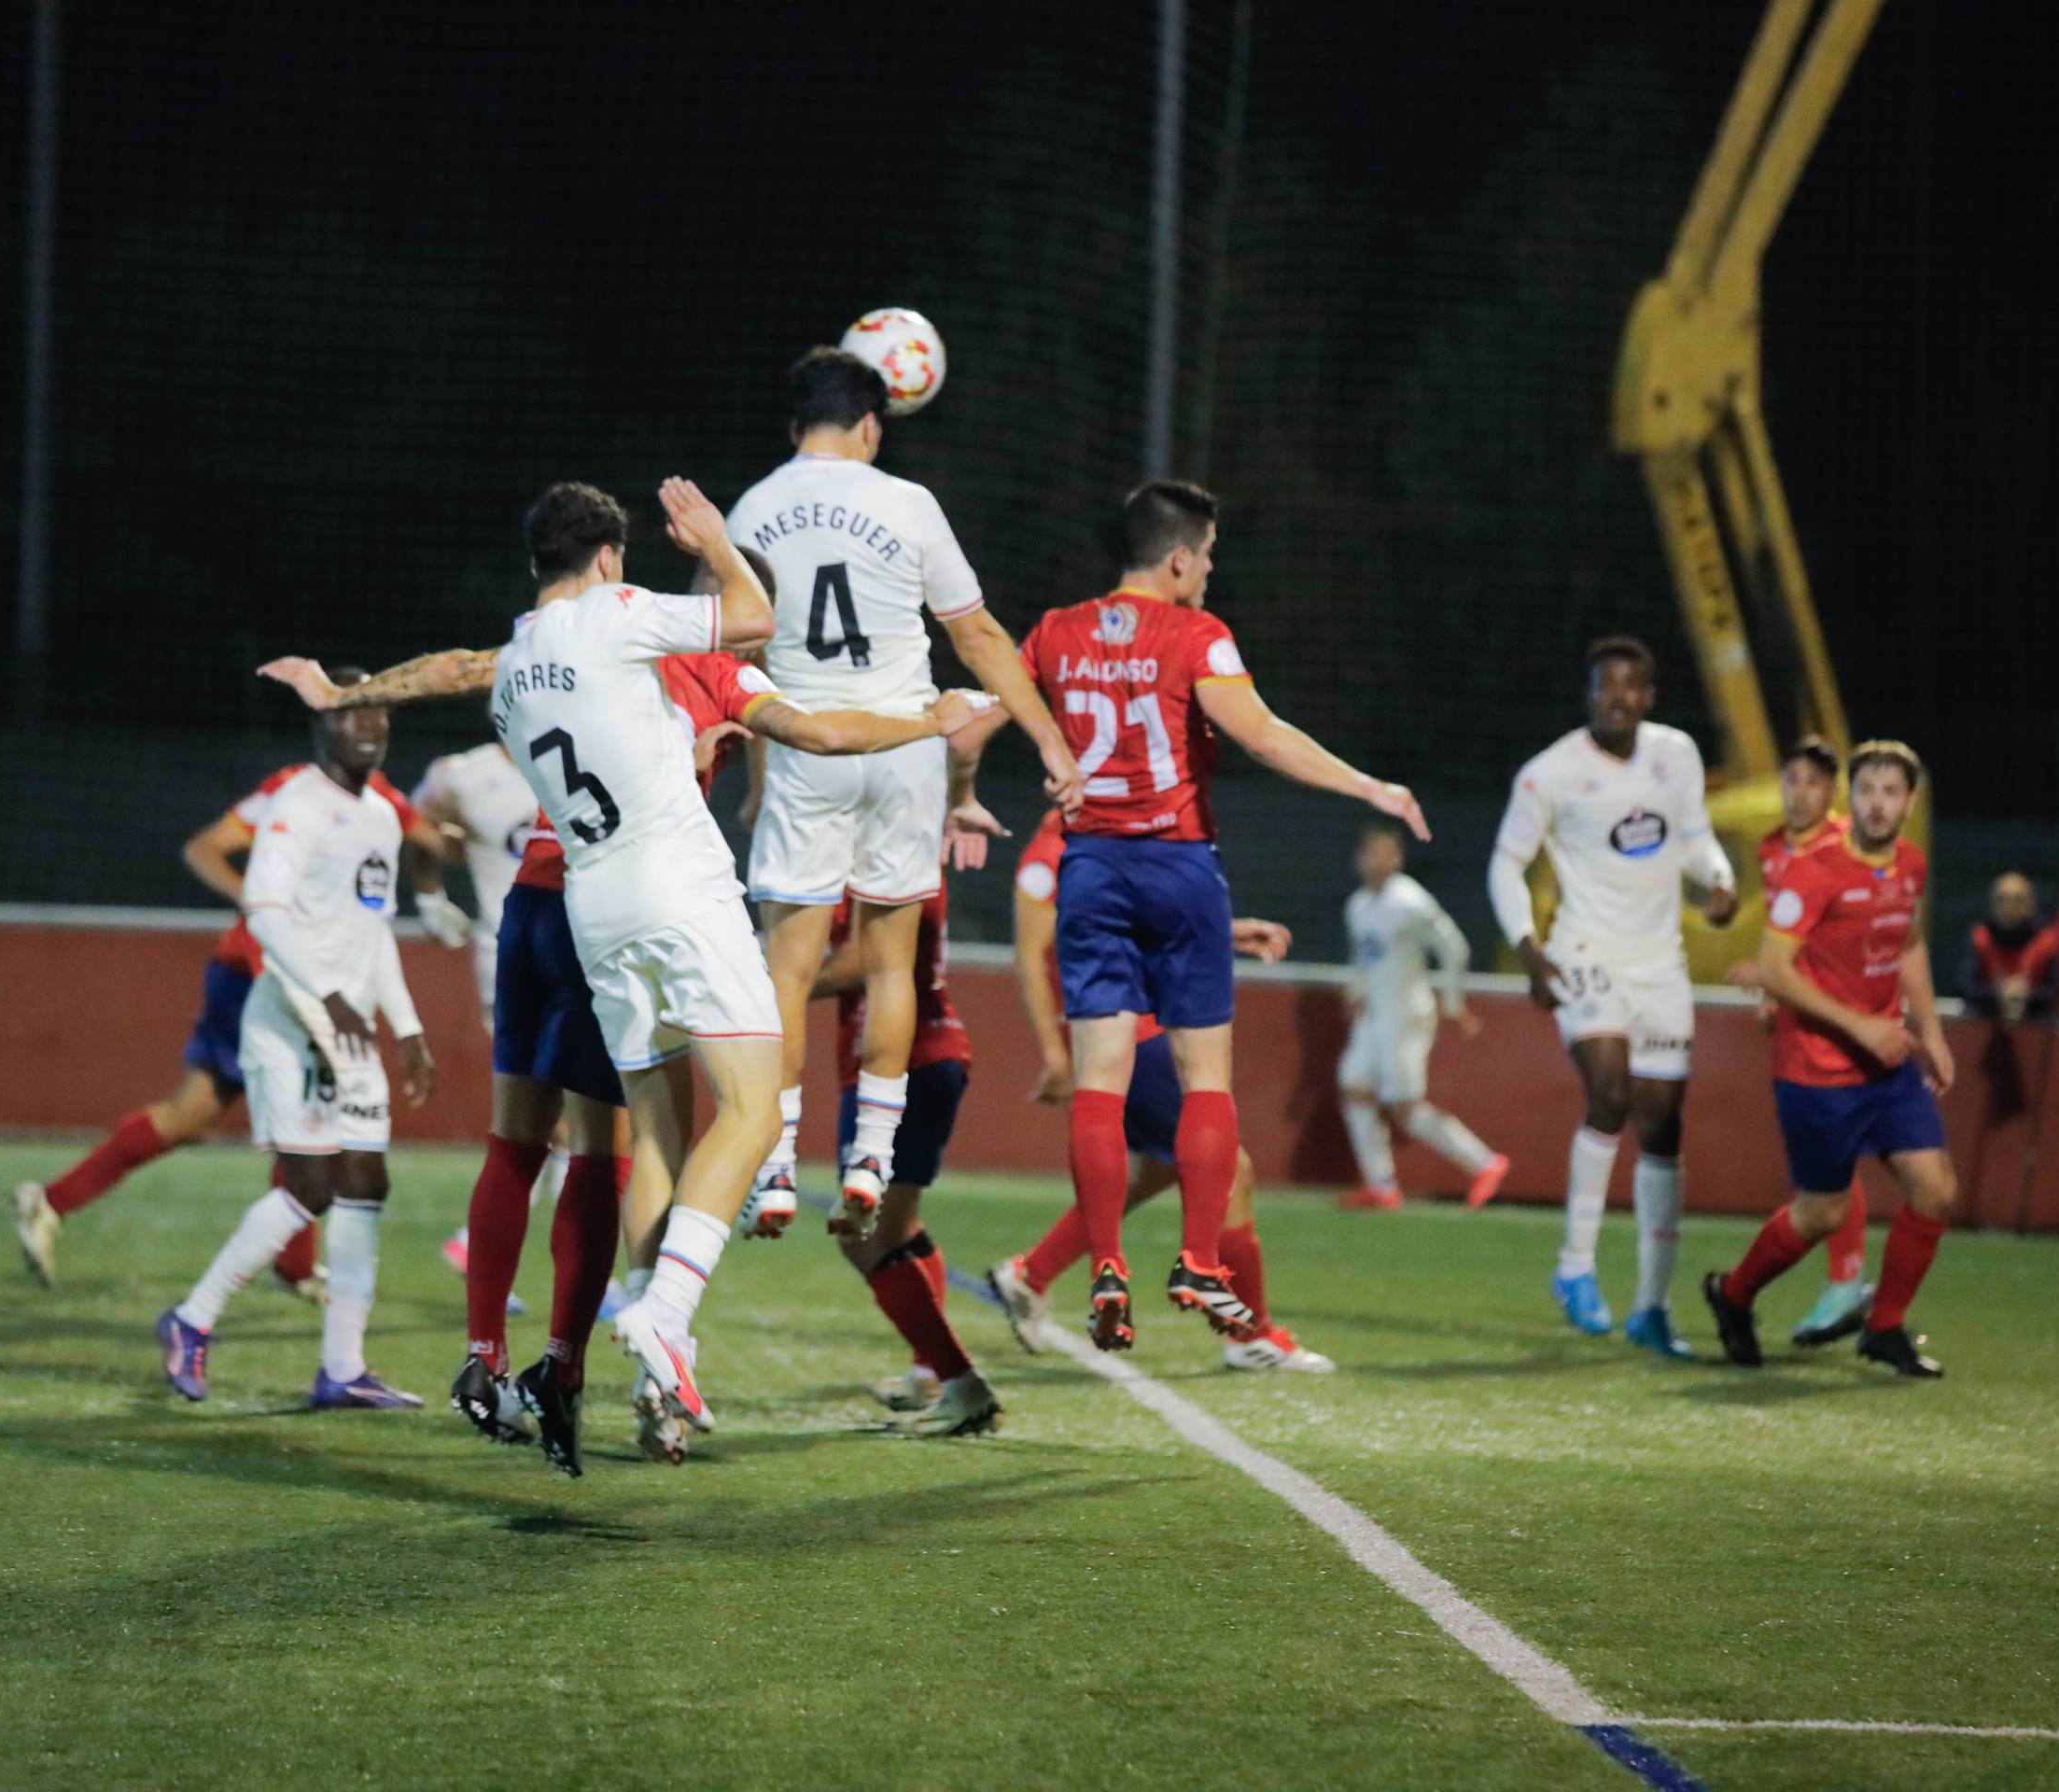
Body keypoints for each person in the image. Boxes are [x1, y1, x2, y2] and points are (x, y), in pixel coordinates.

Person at [267, 482, 979, 1470]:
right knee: (744, 1114)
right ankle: (650, 1327)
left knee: (610, 1139)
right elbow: (801, 700)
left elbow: (455, 666)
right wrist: (930, 720)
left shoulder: (520, 657)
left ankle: (528, 1356)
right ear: (609, 561)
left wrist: (347, 692)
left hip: (573, 902)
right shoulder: (657, 635)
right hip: (670, 889)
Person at [1019, 479, 1427, 1351]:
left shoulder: (1053, 631)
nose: (1208, 571)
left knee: (1100, 1082)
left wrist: (959, 796)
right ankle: (1198, 1261)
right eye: (1205, 556)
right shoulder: (1196, 635)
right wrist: (1370, 786)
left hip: (1089, 868)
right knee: (1205, 1081)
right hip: (1178, 866)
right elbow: (1263, 733)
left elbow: (985, 712)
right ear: (1178, 557)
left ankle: (1105, 1267)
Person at [727, 346, 1081, 1247]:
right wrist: (1046, 736)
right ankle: (870, 1160)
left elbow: (739, 656)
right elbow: (978, 634)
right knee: (891, 962)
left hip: (808, 748)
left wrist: (754, 771)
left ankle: (770, 1169)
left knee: (788, 967)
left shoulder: (755, 508)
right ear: (873, 425)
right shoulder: (909, 503)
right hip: (907, 747)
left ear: (792, 424)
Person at [12, 763, 464, 1294]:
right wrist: (262, 904)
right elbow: (206, 847)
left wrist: (456, 846)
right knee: (312, 1119)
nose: (368, 726)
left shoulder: (379, 795)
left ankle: (52, 1201)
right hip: (268, 973)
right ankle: (284, 1275)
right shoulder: (293, 789)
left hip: (272, 971)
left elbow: (429, 842)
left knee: (193, 1116)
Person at [152, 686, 438, 1408]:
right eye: (351, 713)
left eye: (378, 713)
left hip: (350, 1030)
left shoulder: (381, 816)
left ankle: (342, 1368)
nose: (369, 726)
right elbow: (265, 913)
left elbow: (374, 933)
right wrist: (328, 993)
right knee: (310, 1187)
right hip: (289, 1018)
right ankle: (191, 1320)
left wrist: (406, 1027)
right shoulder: (296, 806)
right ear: (323, 726)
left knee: (366, 1183)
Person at [987, 808, 1331, 1372]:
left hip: (1142, 1020)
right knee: (1230, 1168)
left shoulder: (1104, 837)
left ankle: (1031, 1275)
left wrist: (1224, 928)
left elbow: (1140, 929)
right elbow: (1028, 955)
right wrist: (1053, 1049)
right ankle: (1252, 1334)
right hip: (1128, 1033)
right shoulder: (1050, 857)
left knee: (1159, 1170)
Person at [1487, 636, 1738, 1358]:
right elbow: (1506, 863)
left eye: (1631, 687)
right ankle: (1573, 1268)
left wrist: (1717, 880)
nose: (1617, 699)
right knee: (1610, 1091)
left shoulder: (1676, 755)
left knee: (1661, 1127)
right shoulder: (1550, 775)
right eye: (1605, 687)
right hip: (1584, 953)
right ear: (1589, 694)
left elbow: (1694, 836)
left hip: (1660, 963)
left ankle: (1652, 1308)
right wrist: (1530, 949)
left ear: (1648, 697)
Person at [1702, 740, 1958, 1379]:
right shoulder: (1812, 868)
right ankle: (1732, 1294)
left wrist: (1931, 1034)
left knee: (1934, 1191)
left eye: (1891, 792)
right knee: (1822, 1212)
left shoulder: (1910, 864)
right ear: (1853, 798)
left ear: (1909, 801)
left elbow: (1909, 948)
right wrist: (1860, 1027)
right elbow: (1771, 966)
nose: (1878, 804)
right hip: (1816, 1070)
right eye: (1867, 790)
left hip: (1887, 1067)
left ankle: (1885, 1326)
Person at [814, 883, 1003, 1436]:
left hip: (908, 1061)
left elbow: (865, 959)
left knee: (865, 1235)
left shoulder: (892, 862)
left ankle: (961, 1384)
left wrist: (776, 983)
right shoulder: (885, 854)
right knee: (896, 1226)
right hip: (906, 1057)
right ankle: (930, 1374)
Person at [415, 741, 573, 1299]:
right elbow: (416, 824)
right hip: (511, 957)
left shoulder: (576, 747)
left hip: (580, 953)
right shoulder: (461, 771)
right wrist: (431, 894)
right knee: (570, 1125)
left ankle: (476, 1248)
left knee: (567, 1123)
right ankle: (584, 1277)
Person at [1727, 736, 1870, 1346]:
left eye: (1813, 782)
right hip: (1801, 1018)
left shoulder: (1849, 845)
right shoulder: (1771, 848)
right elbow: (1785, 930)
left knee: (1843, 1157)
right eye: (1791, 780)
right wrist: (1771, 992)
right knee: (1832, 1157)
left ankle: (1851, 1286)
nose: (1799, 792)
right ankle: (1851, 1288)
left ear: (1832, 791)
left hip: (1847, 1013)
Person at [1335, 823, 1510, 1211]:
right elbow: (1363, 960)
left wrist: (1452, 1002)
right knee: (1354, 1087)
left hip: (1405, 1014)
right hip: (1375, 1016)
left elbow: (1453, 947)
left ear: (1397, 858)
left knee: (1404, 1107)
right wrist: (1357, 995)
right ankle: (1381, 1185)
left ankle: (1485, 1163)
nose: (1375, 860)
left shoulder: (1410, 901)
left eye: (1384, 852)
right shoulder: (1359, 906)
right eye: (1368, 852)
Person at [1958, 873, 2059, 1022]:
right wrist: (1999, 993)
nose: (2010, 907)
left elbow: (2057, 993)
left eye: (2018, 900)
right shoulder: (1980, 938)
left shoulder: (2048, 940)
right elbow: (1967, 989)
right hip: (1986, 1027)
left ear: (2031, 904)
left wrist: (2026, 995)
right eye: (2003, 900)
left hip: (2037, 1030)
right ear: (1993, 905)